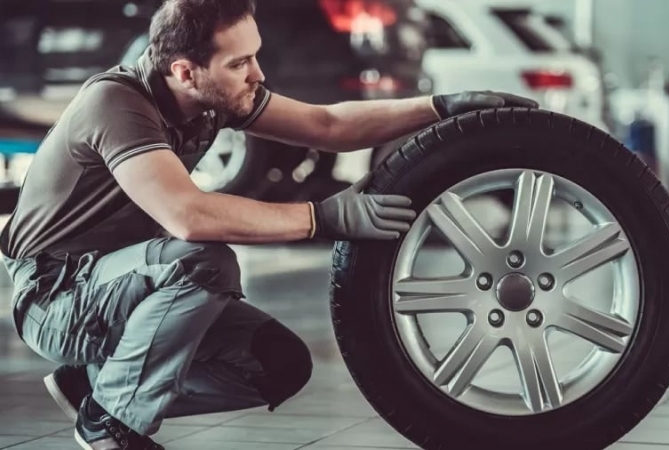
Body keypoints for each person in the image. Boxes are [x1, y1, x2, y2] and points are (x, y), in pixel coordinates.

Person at [0, 0, 539, 449]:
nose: (257, 74)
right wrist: (321, 217)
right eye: (241, 64)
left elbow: (326, 124)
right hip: (55, 294)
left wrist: (440, 107)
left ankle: (97, 386)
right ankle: (113, 423)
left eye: (254, 57)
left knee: (275, 365)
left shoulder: (209, 94)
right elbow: (187, 215)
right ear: (186, 71)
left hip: (116, 284)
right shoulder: (116, 104)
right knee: (202, 260)